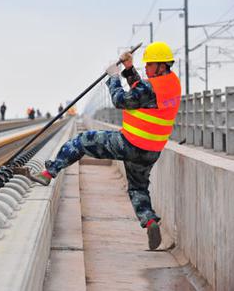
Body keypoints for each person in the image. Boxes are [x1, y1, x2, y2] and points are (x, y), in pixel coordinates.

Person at [29, 42, 181, 250]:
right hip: (151, 150)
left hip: (131, 143)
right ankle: (150, 222)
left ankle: (48, 173)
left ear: (161, 66)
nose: (146, 68)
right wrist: (128, 69)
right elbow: (141, 93)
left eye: (150, 65)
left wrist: (113, 77)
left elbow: (121, 100)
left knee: (81, 142)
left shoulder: (150, 86)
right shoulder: (171, 83)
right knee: (138, 188)